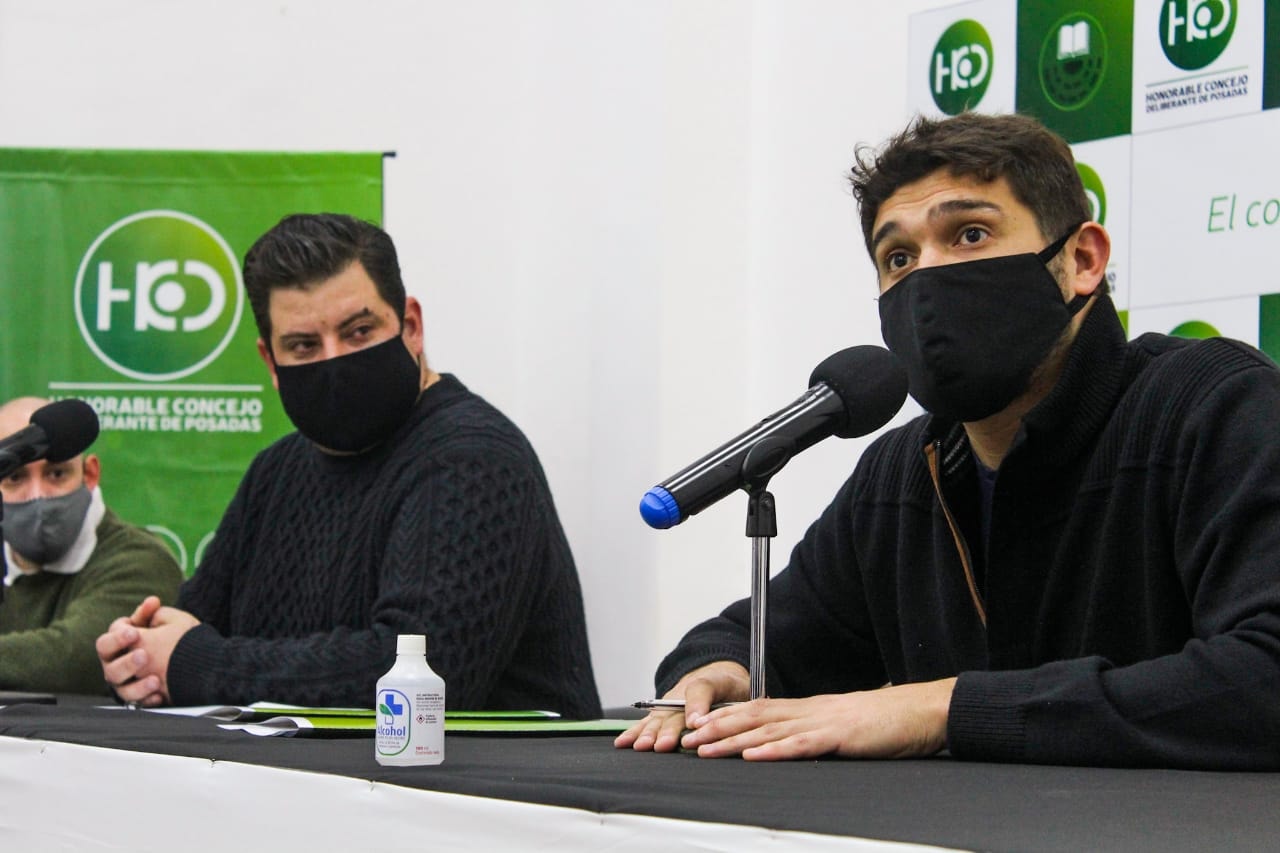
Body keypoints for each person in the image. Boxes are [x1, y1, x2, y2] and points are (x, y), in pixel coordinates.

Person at [617, 111, 1280, 769]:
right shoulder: (902, 470)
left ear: (1081, 260)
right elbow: (758, 637)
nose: (927, 279)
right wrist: (719, 670)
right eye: (899, 258)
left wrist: (940, 709)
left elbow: (1264, 676)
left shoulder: (1213, 406)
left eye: (969, 234)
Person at [97, 214, 602, 718]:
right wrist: (140, 658)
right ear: (270, 362)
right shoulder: (275, 473)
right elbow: (188, 632)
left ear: (411, 327)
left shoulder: (473, 457)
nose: (335, 361)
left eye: (359, 332)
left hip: (487, 771)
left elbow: (426, 677)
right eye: (304, 346)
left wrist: (197, 666)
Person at [0, 396, 182, 694]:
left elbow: (76, 659)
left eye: (56, 474)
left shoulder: (141, 560)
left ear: (90, 474)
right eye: (14, 477)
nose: (37, 496)